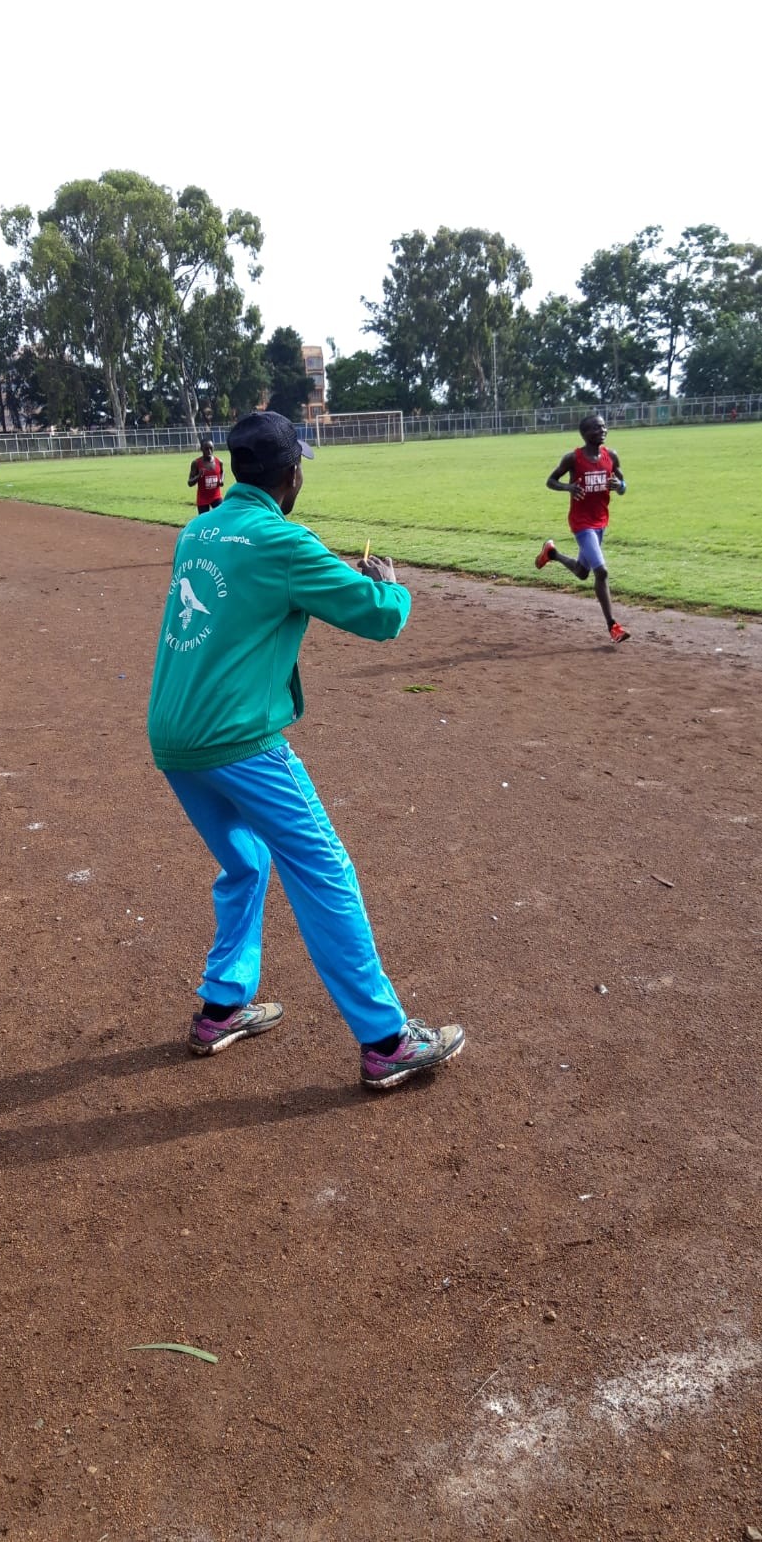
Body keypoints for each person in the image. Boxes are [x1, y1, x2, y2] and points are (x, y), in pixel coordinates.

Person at [148, 409, 465, 1091]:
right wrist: (387, 580)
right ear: (291, 476)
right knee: (324, 870)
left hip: (174, 735)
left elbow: (249, 598)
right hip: (236, 739)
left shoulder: (198, 530)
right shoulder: (285, 541)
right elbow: (379, 615)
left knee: (245, 860)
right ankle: (386, 1040)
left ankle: (221, 1007)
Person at [534, 413, 630, 643]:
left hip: (600, 521)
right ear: (585, 434)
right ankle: (613, 626)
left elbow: (623, 485)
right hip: (581, 523)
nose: (603, 430)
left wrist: (620, 485)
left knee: (582, 572)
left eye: (604, 427)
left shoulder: (611, 456)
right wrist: (568, 487)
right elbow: (550, 481)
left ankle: (552, 553)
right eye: (597, 428)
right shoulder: (573, 459)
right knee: (601, 572)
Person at [188, 439, 225, 513]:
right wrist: (198, 476)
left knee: (222, 515)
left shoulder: (219, 462)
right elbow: (189, 483)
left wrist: (221, 480)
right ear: (201, 449)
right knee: (204, 519)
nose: (209, 451)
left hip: (216, 497)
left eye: (211, 448)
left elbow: (222, 472)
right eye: (206, 449)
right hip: (203, 499)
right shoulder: (196, 463)